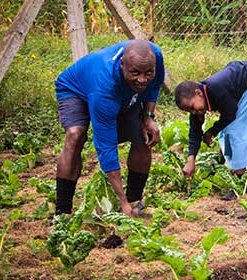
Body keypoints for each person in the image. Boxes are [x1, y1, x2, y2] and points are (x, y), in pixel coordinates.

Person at [54, 39, 165, 217]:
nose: (142, 79)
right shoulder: (104, 88)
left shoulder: (155, 56)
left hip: (123, 92)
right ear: (122, 64)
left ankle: (135, 201)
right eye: (135, 72)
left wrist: (148, 117)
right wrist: (121, 202)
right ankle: (62, 211)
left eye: (148, 73)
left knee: (143, 137)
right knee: (75, 136)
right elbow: (106, 146)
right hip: (75, 90)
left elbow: (154, 86)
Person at [174, 61, 247, 199]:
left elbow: (230, 114)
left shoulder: (217, 88)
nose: (193, 112)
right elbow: (194, 132)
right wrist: (191, 161)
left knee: (235, 131)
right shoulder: (198, 105)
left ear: (198, 93)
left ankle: (240, 181)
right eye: (189, 110)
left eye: (192, 107)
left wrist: (211, 132)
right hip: (243, 82)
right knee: (228, 130)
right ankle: (223, 161)